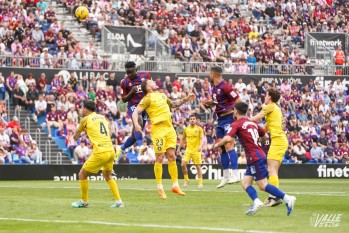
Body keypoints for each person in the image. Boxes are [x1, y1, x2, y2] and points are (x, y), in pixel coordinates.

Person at [213, 102, 296, 216]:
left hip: (254, 156)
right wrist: (255, 143)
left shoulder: (236, 124)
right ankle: (257, 202)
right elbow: (266, 136)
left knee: (262, 185)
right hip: (257, 154)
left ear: (236, 112)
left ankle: (287, 198)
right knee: (245, 183)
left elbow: (227, 138)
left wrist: (217, 145)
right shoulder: (252, 123)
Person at [132, 79, 195, 200]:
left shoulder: (162, 95)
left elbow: (173, 104)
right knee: (160, 157)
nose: (154, 82)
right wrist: (136, 124)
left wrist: (186, 99)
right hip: (158, 129)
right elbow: (136, 112)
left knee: (172, 156)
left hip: (169, 128)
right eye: (151, 82)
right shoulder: (147, 98)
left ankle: (175, 185)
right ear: (148, 88)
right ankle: (159, 187)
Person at [71, 100, 124, 208]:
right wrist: (94, 141)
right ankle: (119, 202)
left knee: (82, 174)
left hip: (101, 151)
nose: (81, 109)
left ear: (86, 109)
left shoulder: (84, 119)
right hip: (110, 150)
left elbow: (75, 136)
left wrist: (77, 135)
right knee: (107, 175)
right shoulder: (102, 117)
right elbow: (107, 131)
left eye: (82, 107)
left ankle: (84, 201)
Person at [202, 66, 241, 188]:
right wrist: (209, 103)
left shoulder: (226, 87)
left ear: (213, 74)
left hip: (229, 118)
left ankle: (235, 174)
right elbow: (217, 102)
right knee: (222, 148)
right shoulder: (214, 88)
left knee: (229, 145)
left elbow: (238, 100)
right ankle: (225, 176)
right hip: (220, 120)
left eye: (210, 73)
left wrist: (237, 115)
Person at [250, 88, 288, 207]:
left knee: (272, 169)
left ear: (270, 97)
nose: (265, 97)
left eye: (266, 95)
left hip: (278, 140)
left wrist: (243, 122)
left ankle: (275, 197)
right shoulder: (275, 109)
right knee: (273, 169)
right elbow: (264, 129)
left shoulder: (270, 106)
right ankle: (273, 196)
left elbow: (257, 118)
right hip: (279, 140)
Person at [115, 61, 152, 159]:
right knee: (138, 120)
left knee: (135, 135)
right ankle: (140, 147)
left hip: (145, 106)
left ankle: (121, 148)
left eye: (131, 72)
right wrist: (131, 91)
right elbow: (123, 100)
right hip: (134, 106)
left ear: (136, 70)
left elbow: (152, 89)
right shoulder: (124, 82)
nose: (130, 74)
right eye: (128, 73)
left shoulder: (146, 75)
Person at [178, 114, 204, 188]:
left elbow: (202, 138)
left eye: (193, 119)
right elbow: (183, 139)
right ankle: (186, 179)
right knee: (183, 164)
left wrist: (200, 146)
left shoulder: (199, 129)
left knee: (198, 167)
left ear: (196, 120)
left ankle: (200, 183)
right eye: (191, 119)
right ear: (189, 120)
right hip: (188, 150)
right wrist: (179, 148)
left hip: (196, 150)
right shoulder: (186, 129)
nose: (192, 120)